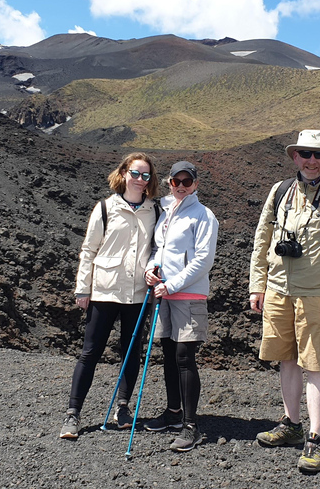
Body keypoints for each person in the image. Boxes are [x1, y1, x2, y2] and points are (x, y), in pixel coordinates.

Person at [249, 130, 320, 473]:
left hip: (317, 293)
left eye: (319, 154)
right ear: (295, 157)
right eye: (305, 153)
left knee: (315, 364)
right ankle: (291, 424)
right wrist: (258, 285)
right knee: (286, 359)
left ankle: (316, 439)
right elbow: (262, 239)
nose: (311, 160)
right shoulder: (280, 191)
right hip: (278, 289)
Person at [60, 152, 161, 439]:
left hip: (138, 294)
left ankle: (123, 407)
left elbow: (157, 249)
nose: (140, 180)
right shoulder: (105, 208)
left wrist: (154, 269)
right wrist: (83, 288)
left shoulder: (154, 211)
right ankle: (73, 414)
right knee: (90, 352)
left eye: (146, 175)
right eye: (135, 173)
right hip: (104, 290)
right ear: (124, 173)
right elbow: (89, 250)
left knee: (131, 354)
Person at [143, 161, 218, 453]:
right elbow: (157, 250)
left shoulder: (203, 215)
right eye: (177, 182)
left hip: (188, 295)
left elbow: (203, 260)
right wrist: (151, 269)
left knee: (185, 357)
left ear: (196, 184)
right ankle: (173, 413)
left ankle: (190, 425)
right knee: (170, 353)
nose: (182, 186)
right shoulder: (165, 213)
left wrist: (171, 285)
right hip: (164, 294)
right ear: (169, 183)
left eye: (188, 181)